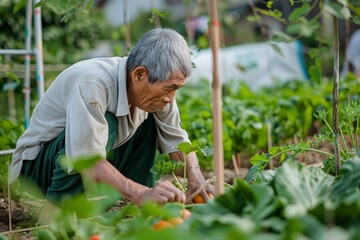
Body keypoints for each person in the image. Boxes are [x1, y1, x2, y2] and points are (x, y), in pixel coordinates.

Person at [9, 28, 214, 205]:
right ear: (139, 75)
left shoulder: (158, 92)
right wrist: (142, 194)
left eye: (176, 89)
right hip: (36, 170)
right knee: (110, 121)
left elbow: (178, 140)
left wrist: (195, 176)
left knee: (150, 115)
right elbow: (87, 159)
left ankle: (139, 199)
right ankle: (61, 206)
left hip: (79, 161)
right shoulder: (94, 85)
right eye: (169, 88)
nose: (171, 98)